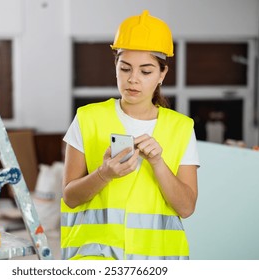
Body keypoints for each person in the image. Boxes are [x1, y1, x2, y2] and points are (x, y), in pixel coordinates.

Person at [61, 10, 199, 260]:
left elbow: (186, 207)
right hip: (97, 258)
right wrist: (104, 174)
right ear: (116, 67)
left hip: (158, 261)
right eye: (125, 69)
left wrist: (158, 163)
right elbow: (70, 197)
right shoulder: (88, 118)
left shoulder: (181, 128)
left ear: (162, 75)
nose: (133, 79)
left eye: (145, 72)